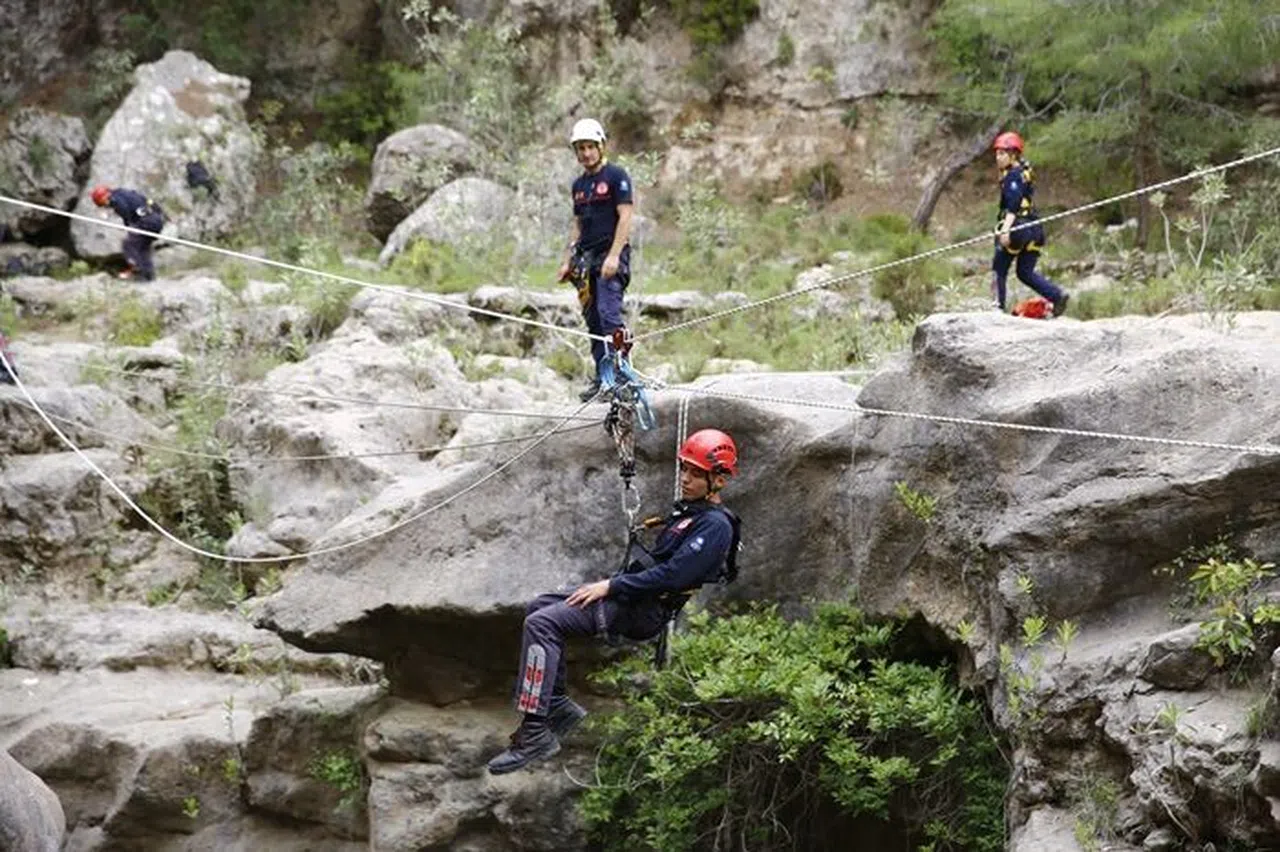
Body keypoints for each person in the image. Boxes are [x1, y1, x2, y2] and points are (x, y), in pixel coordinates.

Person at [486, 428, 742, 775]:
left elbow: (674, 577)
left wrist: (611, 585)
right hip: (633, 596)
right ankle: (556, 703)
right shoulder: (690, 514)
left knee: (543, 624)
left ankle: (534, 733)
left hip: (642, 609)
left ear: (720, 479)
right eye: (684, 468)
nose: (685, 478)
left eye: (696, 473)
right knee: (539, 607)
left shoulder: (715, 527)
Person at [557, 118, 635, 402]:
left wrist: (614, 255)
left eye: (590, 147)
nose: (586, 153)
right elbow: (577, 224)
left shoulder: (617, 177)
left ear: (601, 146)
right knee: (593, 321)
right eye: (581, 148)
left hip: (610, 257)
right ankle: (604, 378)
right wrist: (567, 261)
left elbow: (625, 216)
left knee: (608, 314)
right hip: (586, 260)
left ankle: (622, 375)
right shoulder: (579, 185)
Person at [991, 132, 1069, 316]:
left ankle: (997, 307)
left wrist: (1005, 230)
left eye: (1002, 153)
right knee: (1025, 272)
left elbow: (1014, 204)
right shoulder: (1026, 171)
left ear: (1013, 155)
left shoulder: (1012, 176)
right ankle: (1057, 296)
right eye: (997, 153)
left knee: (998, 268)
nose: (998, 157)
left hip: (1019, 229)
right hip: (1035, 229)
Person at [90, 185, 165, 281]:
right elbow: (147, 200)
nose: (105, 206)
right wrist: (160, 215)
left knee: (129, 244)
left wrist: (129, 226)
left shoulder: (115, 200)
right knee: (143, 248)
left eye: (103, 204)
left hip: (145, 222)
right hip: (155, 219)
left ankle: (137, 269)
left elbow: (124, 211)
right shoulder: (125, 192)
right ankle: (148, 275)